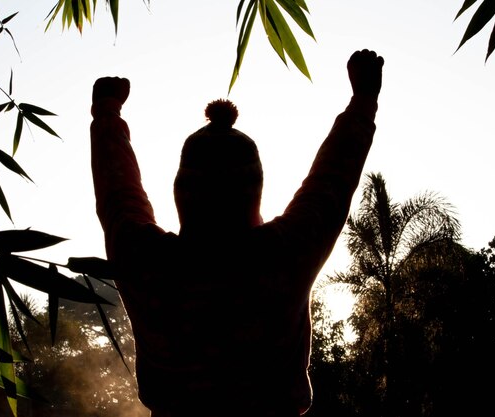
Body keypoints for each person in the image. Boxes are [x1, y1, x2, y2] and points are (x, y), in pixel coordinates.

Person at [90, 49, 384, 417]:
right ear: (255, 195)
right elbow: (333, 179)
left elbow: (118, 195)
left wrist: (106, 113)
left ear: (181, 196)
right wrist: (364, 99)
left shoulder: (151, 262)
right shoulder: (282, 255)